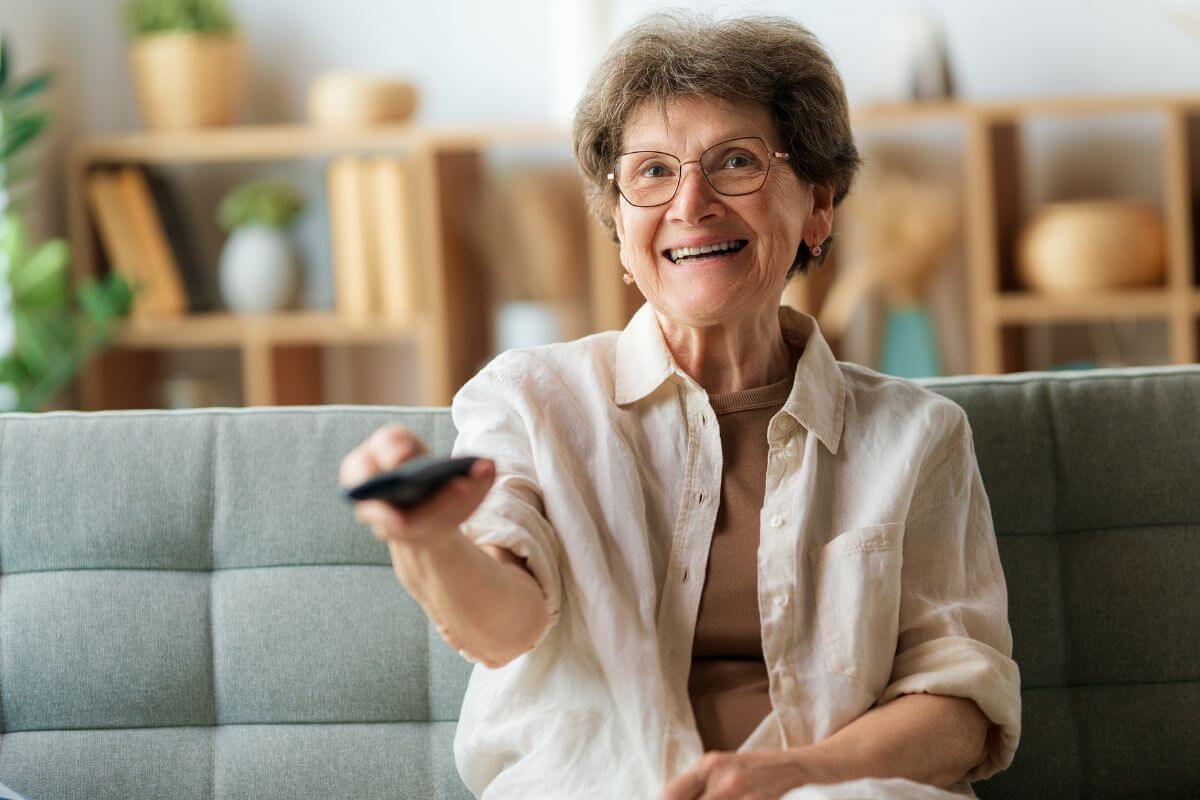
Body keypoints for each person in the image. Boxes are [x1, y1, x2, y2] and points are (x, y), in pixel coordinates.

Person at [340, 12, 1020, 800]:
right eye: (654, 172)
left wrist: (795, 775)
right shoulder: (526, 399)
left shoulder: (917, 435)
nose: (691, 204)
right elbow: (505, 624)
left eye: (736, 161)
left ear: (819, 206)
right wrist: (427, 542)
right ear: (620, 224)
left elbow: (960, 703)